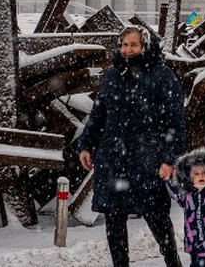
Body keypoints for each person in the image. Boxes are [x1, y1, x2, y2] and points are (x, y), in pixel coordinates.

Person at [77, 26, 186, 267]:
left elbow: (175, 122)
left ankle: (172, 262)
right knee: (114, 219)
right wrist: (86, 145)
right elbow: (98, 115)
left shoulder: (162, 76)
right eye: (124, 45)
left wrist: (169, 159)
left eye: (133, 45)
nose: (128, 50)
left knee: (157, 216)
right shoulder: (111, 75)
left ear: (144, 47)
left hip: (148, 159)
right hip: (114, 158)